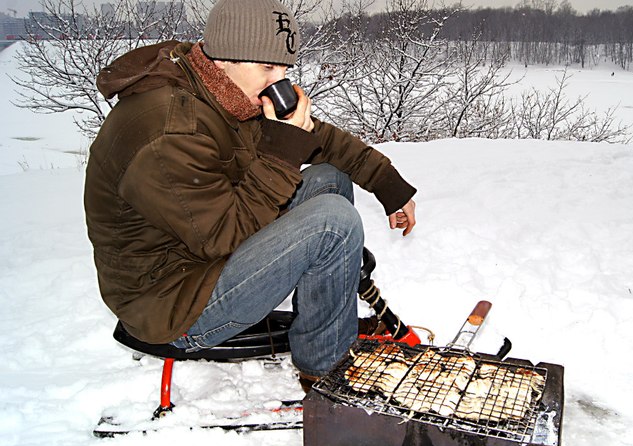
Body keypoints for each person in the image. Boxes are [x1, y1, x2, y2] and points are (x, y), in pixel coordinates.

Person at [83, 0, 416, 390]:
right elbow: (222, 237)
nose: (281, 83)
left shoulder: (224, 90)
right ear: (224, 59)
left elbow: (321, 140)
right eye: (268, 68)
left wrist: (387, 183)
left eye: (286, 68)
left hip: (202, 257)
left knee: (328, 178)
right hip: (172, 304)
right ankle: (324, 374)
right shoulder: (170, 131)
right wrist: (281, 151)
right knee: (333, 223)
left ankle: (322, 325)